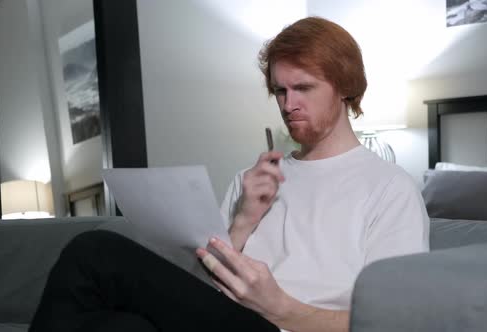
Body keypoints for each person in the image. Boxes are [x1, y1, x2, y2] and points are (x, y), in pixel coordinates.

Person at [29, 16, 429, 332]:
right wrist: (243, 220)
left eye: (303, 88)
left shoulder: (390, 189)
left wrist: (282, 308)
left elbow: (399, 322)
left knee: (95, 249)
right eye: (280, 91)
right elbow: (202, 291)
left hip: (288, 326)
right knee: (118, 326)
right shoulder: (250, 180)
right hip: (229, 318)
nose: (289, 105)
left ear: (345, 86)